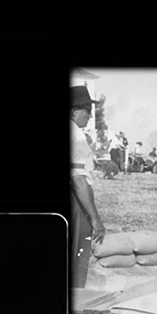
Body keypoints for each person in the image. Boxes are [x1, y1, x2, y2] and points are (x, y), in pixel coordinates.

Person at [70, 86, 106, 288]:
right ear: (74, 111)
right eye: (87, 110)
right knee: (76, 261)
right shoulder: (76, 135)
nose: (90, 116)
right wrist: (95, 218)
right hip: (77, 204)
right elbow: (78, 179)